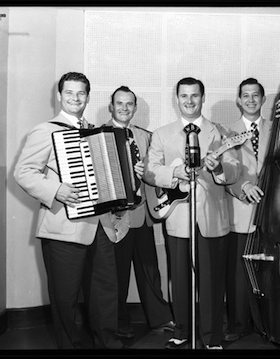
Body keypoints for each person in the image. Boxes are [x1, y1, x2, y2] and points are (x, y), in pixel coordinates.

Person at [14, 72, 129, 350]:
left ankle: (107, 341)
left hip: (100, 224)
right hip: (63, 226)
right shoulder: (46, 130)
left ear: (87, 97)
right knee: (65, 296)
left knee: (104, 289)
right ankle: (68, 346)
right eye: (69, 93)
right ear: (59, 96)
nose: (75, 98)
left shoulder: (97, 131)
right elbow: (23, 172)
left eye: (80, 94)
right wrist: (55, 191)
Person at [143, 77, 241, 350]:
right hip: (177, 217)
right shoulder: (162, 134)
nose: (189, 101)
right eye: (184, 96)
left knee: (211, 281)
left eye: (194, 96)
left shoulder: (220, 132)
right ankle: (183, 331)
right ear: (177, 99)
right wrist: (175, 172)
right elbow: (151, 171)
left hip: (212, 218)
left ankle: (211, 337)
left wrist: (219, 168)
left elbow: (235, 170)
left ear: (203, 97)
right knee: (180, 278)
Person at [222, 78, 280, 342]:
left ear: (263, 99)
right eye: (245, 95)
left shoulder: (276, 127)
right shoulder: (227, 131)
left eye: (255, 95)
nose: (250, 100)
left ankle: (271, 322)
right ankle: (238, 324)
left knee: (270, 271)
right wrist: (243, 185)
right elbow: (227, 166)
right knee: (238, 274)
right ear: (238, 100)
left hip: (274, 211)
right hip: (241, 210)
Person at [105, 86, 175, 338]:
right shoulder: (98, 135)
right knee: (118, 273)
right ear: (111, 106)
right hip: (116, 217)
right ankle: (118, 321)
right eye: (119, 104)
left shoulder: (146, 136)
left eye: (129, 104)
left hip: (144, 212)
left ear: (135, 108)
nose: (124, 108)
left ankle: (160, 319)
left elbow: (156, 170)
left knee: (150, 270)